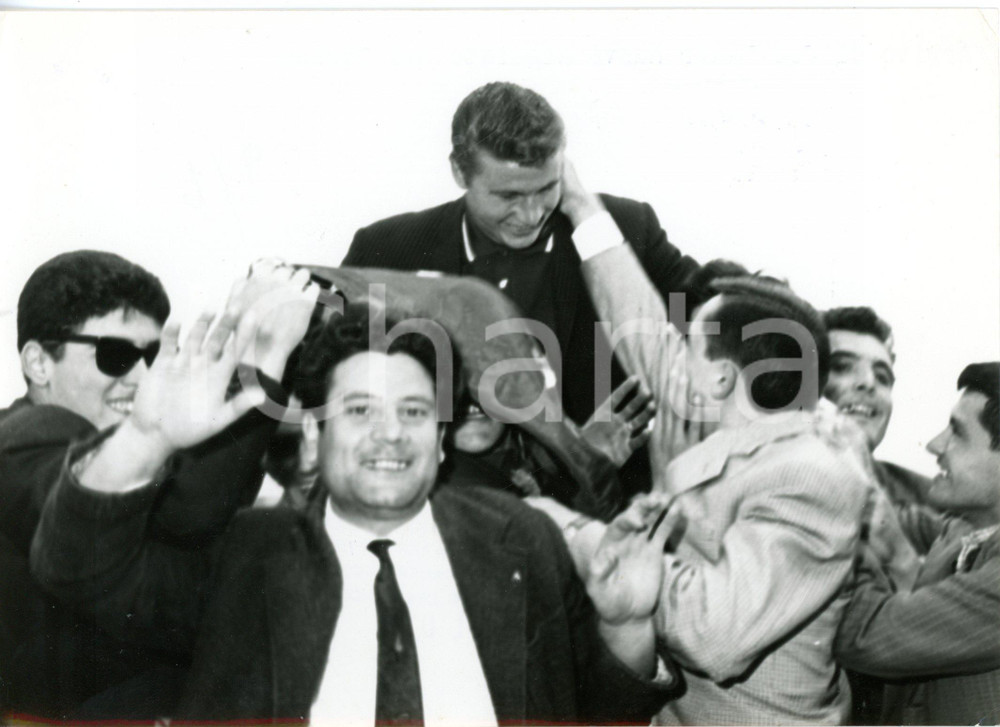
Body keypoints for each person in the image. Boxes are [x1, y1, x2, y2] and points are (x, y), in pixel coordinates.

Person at [31, 304, 679, 723]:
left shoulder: (521, 539)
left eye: (415, 412)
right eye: (360, 410)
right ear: (312, 434)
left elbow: (595, 713)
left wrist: (626, 627)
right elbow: (79, 569)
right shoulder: (245, 556)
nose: (391, 434)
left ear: (442, 437)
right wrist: (147, 437)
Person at [551, 164, 870, 723]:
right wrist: (579, 202)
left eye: (690, 345)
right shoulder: (738, 422)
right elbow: (640, 325)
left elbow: (711, 633)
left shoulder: (813, 474)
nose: (673, 357)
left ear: (722, 378)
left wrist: (572, 530)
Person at [342, 81, 699, 498]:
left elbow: (719, 327)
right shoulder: (387, 248)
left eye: (546, 189)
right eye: (508, 195)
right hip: (443, 510)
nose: (530, 215)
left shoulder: (623, 227)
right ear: (459, 172)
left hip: (609, 513)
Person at [0, 251, 315, 719]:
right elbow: (182, 515)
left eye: (151, 355)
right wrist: (260, 360)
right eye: (116, 356)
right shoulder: (27, 436)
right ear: (39, 363)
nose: (142, 377)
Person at [835, 362, 1000, 725]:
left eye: (957, 432)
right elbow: (899, 521)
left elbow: (868, 635)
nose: (934, 444)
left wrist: (827, 523)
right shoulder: (968, 525)